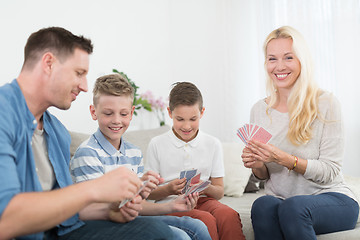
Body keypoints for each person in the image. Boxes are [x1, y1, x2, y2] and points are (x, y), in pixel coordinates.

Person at [0, 27, 174, 240]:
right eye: (79, 73)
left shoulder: (57, 132)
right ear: (48, 63)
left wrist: (109, 211)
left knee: (160, 233)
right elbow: (5, 220)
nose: (84, 86)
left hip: (59, 232)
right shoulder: (4, 114)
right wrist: (95, 188)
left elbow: (64, 209)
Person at [241, 26, 359, 240]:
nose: (279, 66)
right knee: (263, 205)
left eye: (288, 57)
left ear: (302, 61)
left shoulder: (326, 103)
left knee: (294, 208)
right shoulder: (259, 110)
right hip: (282, 201)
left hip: (332, 198)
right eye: (272, 59)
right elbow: (263, 176)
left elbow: (330, 170)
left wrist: (284, 159)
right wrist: (257, 164)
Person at [70, 73, 212, 240]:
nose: (116, 120)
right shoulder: (87, 153)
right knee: (180, 237)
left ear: (131, 113)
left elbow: (137, 206)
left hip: (131, 218)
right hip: (104, 222)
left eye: (123, 114)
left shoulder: (134, 152)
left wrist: (172, 204)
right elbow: (98, 209)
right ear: (94, 112)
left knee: (197, 226)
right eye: (108, 113)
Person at [145, 82, 246, 240]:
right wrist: (170, 189)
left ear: (202, 112)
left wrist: (203, 187)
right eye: (180, 119)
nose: (187, 126)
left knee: (228, 215)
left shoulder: (212, 144)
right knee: (205, 220)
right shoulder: (157, 144)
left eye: (193, 119)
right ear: (170, 113)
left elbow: (219, 192)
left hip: (203, 200)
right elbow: (148, 194)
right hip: (170, 203)